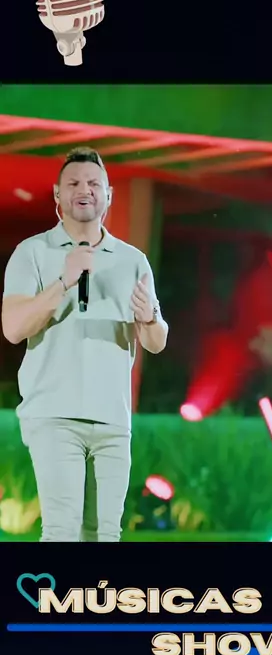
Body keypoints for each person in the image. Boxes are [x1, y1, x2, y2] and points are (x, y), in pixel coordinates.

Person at [1, 147, 168, 542]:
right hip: (53, 414)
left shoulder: (133, 260)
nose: (85, 190)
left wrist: (149, 317)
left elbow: (156, 341)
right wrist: (64, 281)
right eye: (74, 183)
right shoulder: (32, 252)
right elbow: (13, 328)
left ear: (108, 195)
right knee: (62, 531)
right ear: (57, 195)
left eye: (94, 183)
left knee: (104, 534)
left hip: (113, 418)